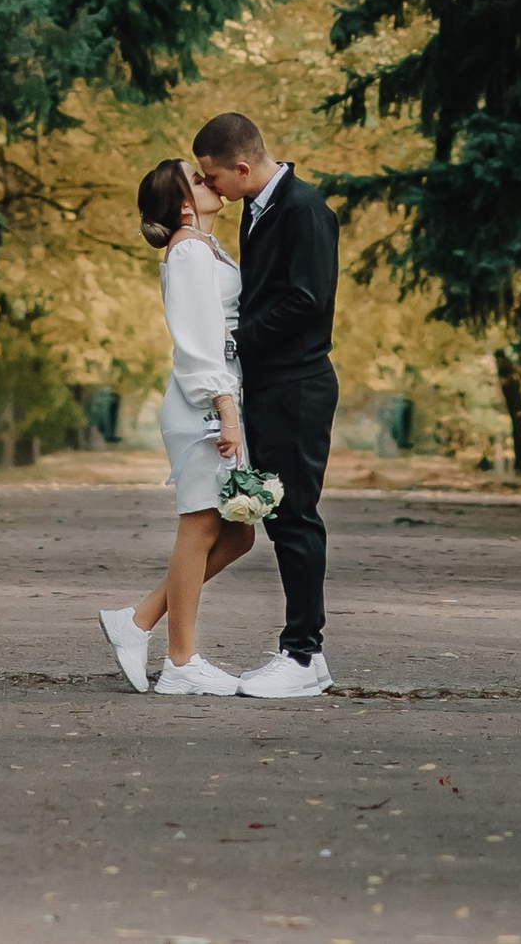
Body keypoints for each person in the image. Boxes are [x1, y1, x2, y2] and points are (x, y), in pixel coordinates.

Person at [98, 154, 256, 698]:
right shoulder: (187, 250)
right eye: (196, 178)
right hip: (203, 405)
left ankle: (138, 620)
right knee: (201, 526)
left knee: (238, 533)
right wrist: (225, 410)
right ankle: (181, 661)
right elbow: (196, 341)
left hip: (219, 398)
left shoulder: (206, 246)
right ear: (184, 204)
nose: (209, 181)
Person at [193, 108, 337, 697]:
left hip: (298, 386)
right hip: (273, 384)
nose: (210, 188)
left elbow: (307, 299)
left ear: (242, 167)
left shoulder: (304, 209)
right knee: (281, 517)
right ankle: (304, 655)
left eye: (213, 176)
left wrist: (235, 340)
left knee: (295, 516)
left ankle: (303, 656)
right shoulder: (260, 208)